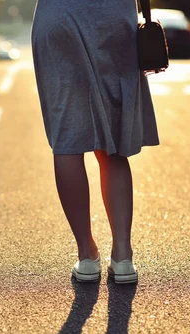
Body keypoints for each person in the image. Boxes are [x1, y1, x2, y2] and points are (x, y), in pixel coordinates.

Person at [31, 0, 159, 284]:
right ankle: (123, 256)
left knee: (68, 140)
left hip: (59, 17)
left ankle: (87, 256)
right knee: (112, 137)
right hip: (113, 18)